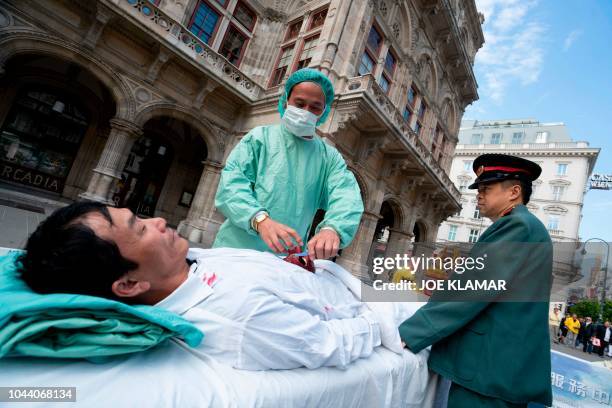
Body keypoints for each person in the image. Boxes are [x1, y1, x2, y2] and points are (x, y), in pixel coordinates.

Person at [18, 201, 417, 370]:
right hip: (383, 312)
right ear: (128, 285)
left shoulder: (189, 263)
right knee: (475, 285)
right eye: (140, 228)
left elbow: (260, 274)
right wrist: (384, 315)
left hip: (338, 280)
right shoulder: (239, 318)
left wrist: (295, 269)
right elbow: (330, 344)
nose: (158, 221)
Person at [397, 154, 553, 407]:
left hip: (489, 371)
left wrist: (411, 333)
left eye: (486, 189)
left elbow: (473, 288)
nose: (478, 195)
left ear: (514, 192)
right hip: (498, 369)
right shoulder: (525, 226)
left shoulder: (517, 226)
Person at [213, 68, 363, 260]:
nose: (305, 112)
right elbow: (231, 186)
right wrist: (260, 220)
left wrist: (333, 228)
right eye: (299, 104)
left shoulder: (329, 158)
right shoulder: (260, 138)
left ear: (324, 112)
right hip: (235, 252)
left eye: (315, 107)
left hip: (285, 261)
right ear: (286, 101)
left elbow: (347, 196)